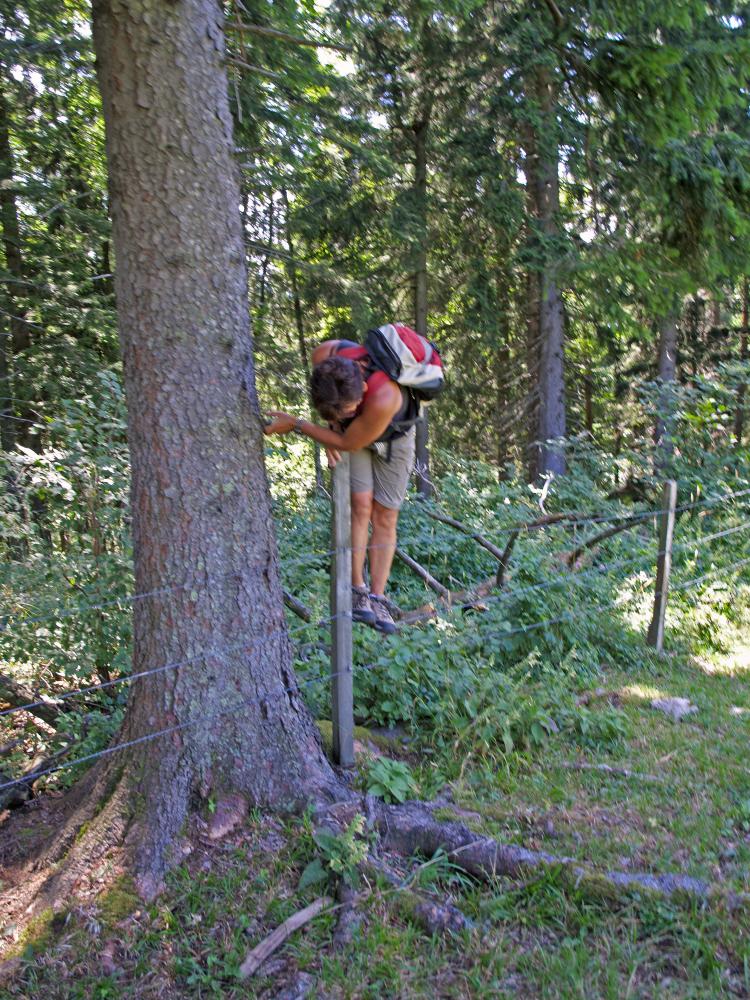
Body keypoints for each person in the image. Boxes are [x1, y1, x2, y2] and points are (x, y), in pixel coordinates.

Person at [263, 337, 419, 634]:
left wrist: (298, 425)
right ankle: (358, 591)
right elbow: (343, 429)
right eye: (345, 411)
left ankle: (379, 597)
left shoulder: (383, 395)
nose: (351, 412)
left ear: (362, 386)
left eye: (351, 408)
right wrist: (334, 425)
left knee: (385, 516)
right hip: (355, 436)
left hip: (395, 436)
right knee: (360, 506)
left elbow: (349, 442)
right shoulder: (327, 355)